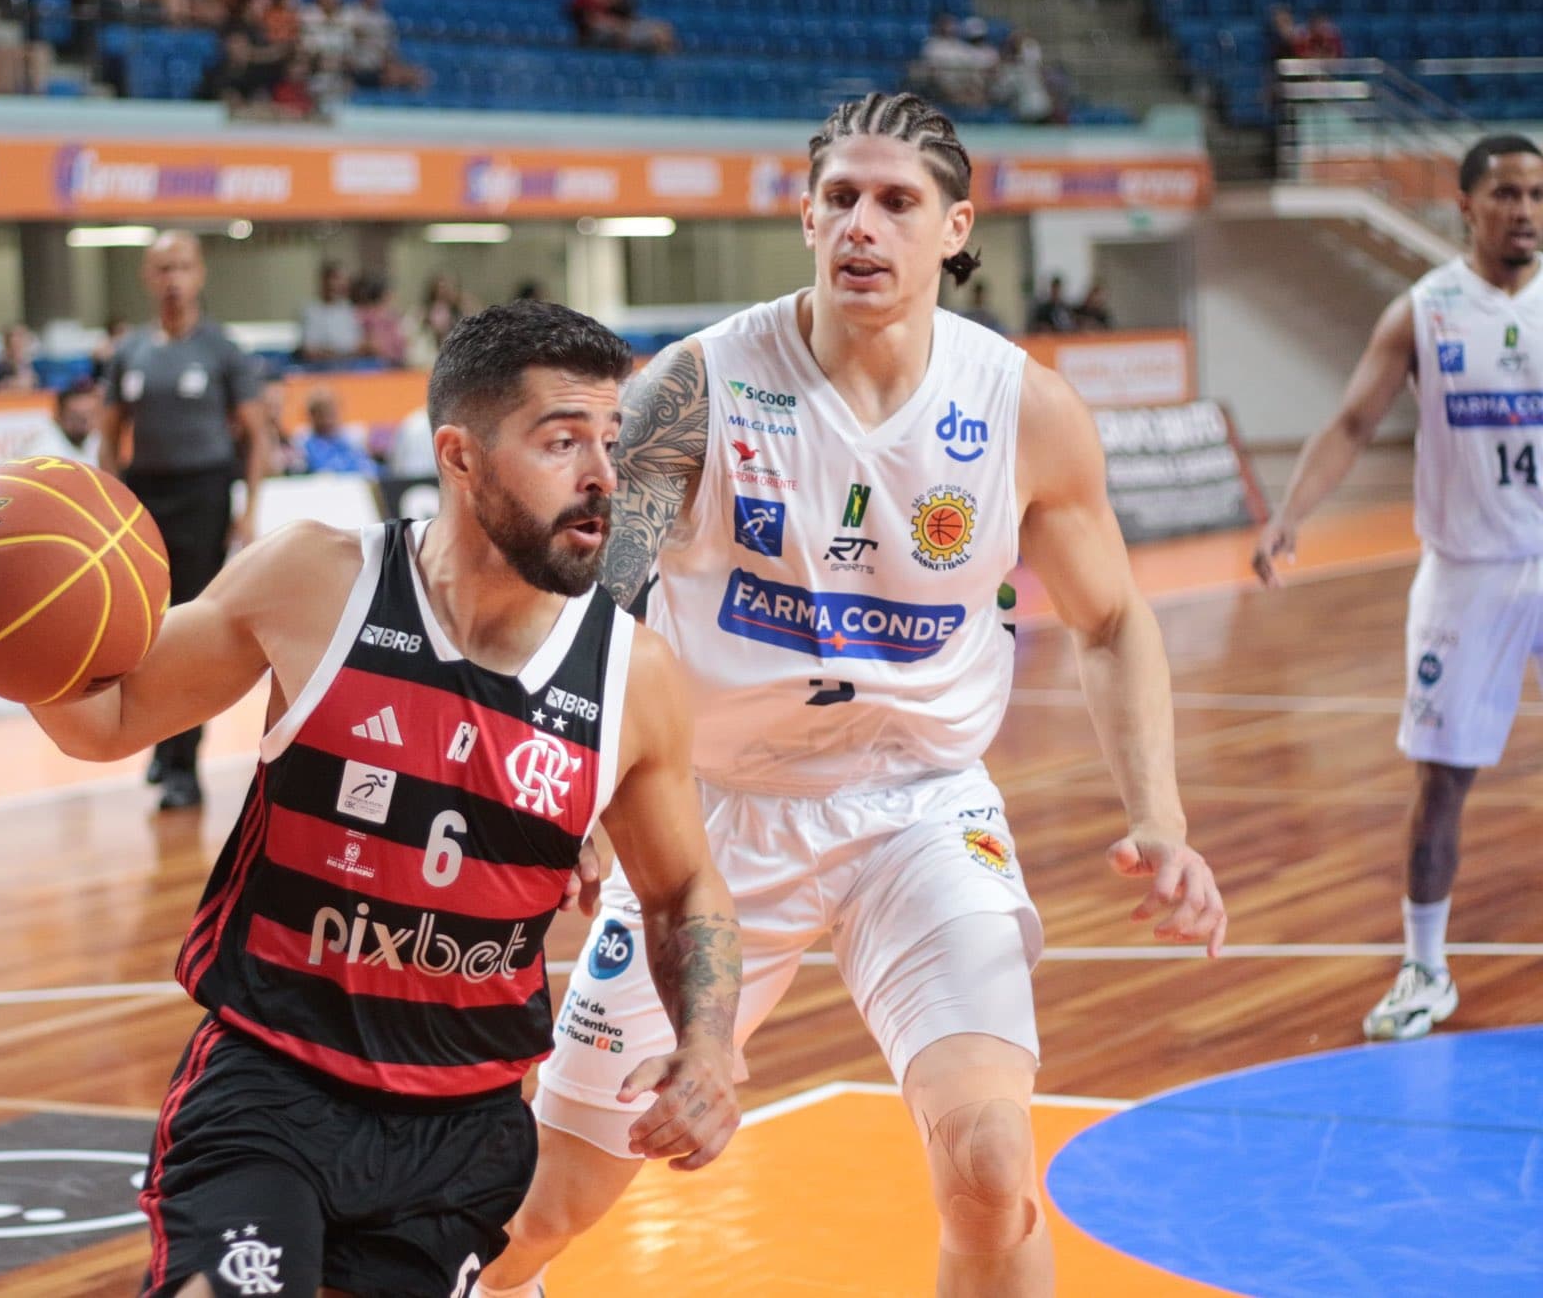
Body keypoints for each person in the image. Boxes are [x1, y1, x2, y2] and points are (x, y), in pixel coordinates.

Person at [479, 93, 1228, 1298]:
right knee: (541, 1208)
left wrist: (1160, 820)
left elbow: (1108, 622)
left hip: (919, 808)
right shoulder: (698, 388)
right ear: (805, 217)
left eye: (894, 203)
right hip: (708, 819)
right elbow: (595, 616)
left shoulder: (1021, 408)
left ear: (954, 228)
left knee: (989, 1162)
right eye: (838, 200)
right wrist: (571, 803)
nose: (861, 227)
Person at [0, 299, 743, 1298]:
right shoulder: (315, 582)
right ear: (459, 455)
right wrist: (10, 620)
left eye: (609, 442)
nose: (600, 478)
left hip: (463, 1131)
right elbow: (106, 720)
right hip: (272, 1089)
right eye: (560, 441)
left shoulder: (635, 677)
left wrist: (706, 1044)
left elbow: (681, 890)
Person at [1253, 133, 1543, 1042]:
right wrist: (1290, 510)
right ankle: (1424, 969)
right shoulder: (1424, 311)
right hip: (1467, 573)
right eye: (1506, 194)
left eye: (1537, 194)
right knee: (1444, 780)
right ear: (1465, 205)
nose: (1526, 210)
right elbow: (1349, 422)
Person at [101, 231, 270, 811]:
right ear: (148, 278)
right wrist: (111, 503)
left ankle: (183, 767)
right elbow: (107, 435)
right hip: (144, 500)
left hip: (204, 495)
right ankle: (160, 742)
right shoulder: (129, 352)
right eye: (162, 268)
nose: (173, 278)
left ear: (199, 275)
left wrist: (248, 508)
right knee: (143, 630)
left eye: (182, 267)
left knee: (187, 633)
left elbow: (257, 435)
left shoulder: (222, 349)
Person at [292, 386, 379, 478]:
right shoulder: (303, 443)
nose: (327, 418)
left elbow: (369, 469)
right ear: (312, 415)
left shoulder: (353, 439)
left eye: (331, 411)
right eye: (321, 412)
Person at [298, 260, 363, 362]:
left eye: (344, 279)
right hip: (321, 370)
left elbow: (357, 345)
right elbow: (310, 351)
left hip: (350, 368)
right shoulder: (311, 310)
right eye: (335, 278)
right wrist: (340, 353)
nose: (340, 284)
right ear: (324, 280)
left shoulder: (349, 309)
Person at [36, 384, 102, 466]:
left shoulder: (96, 438)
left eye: (89, 415)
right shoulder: (44, 450)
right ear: (59, 415)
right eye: (76, 417)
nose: (83, 422)